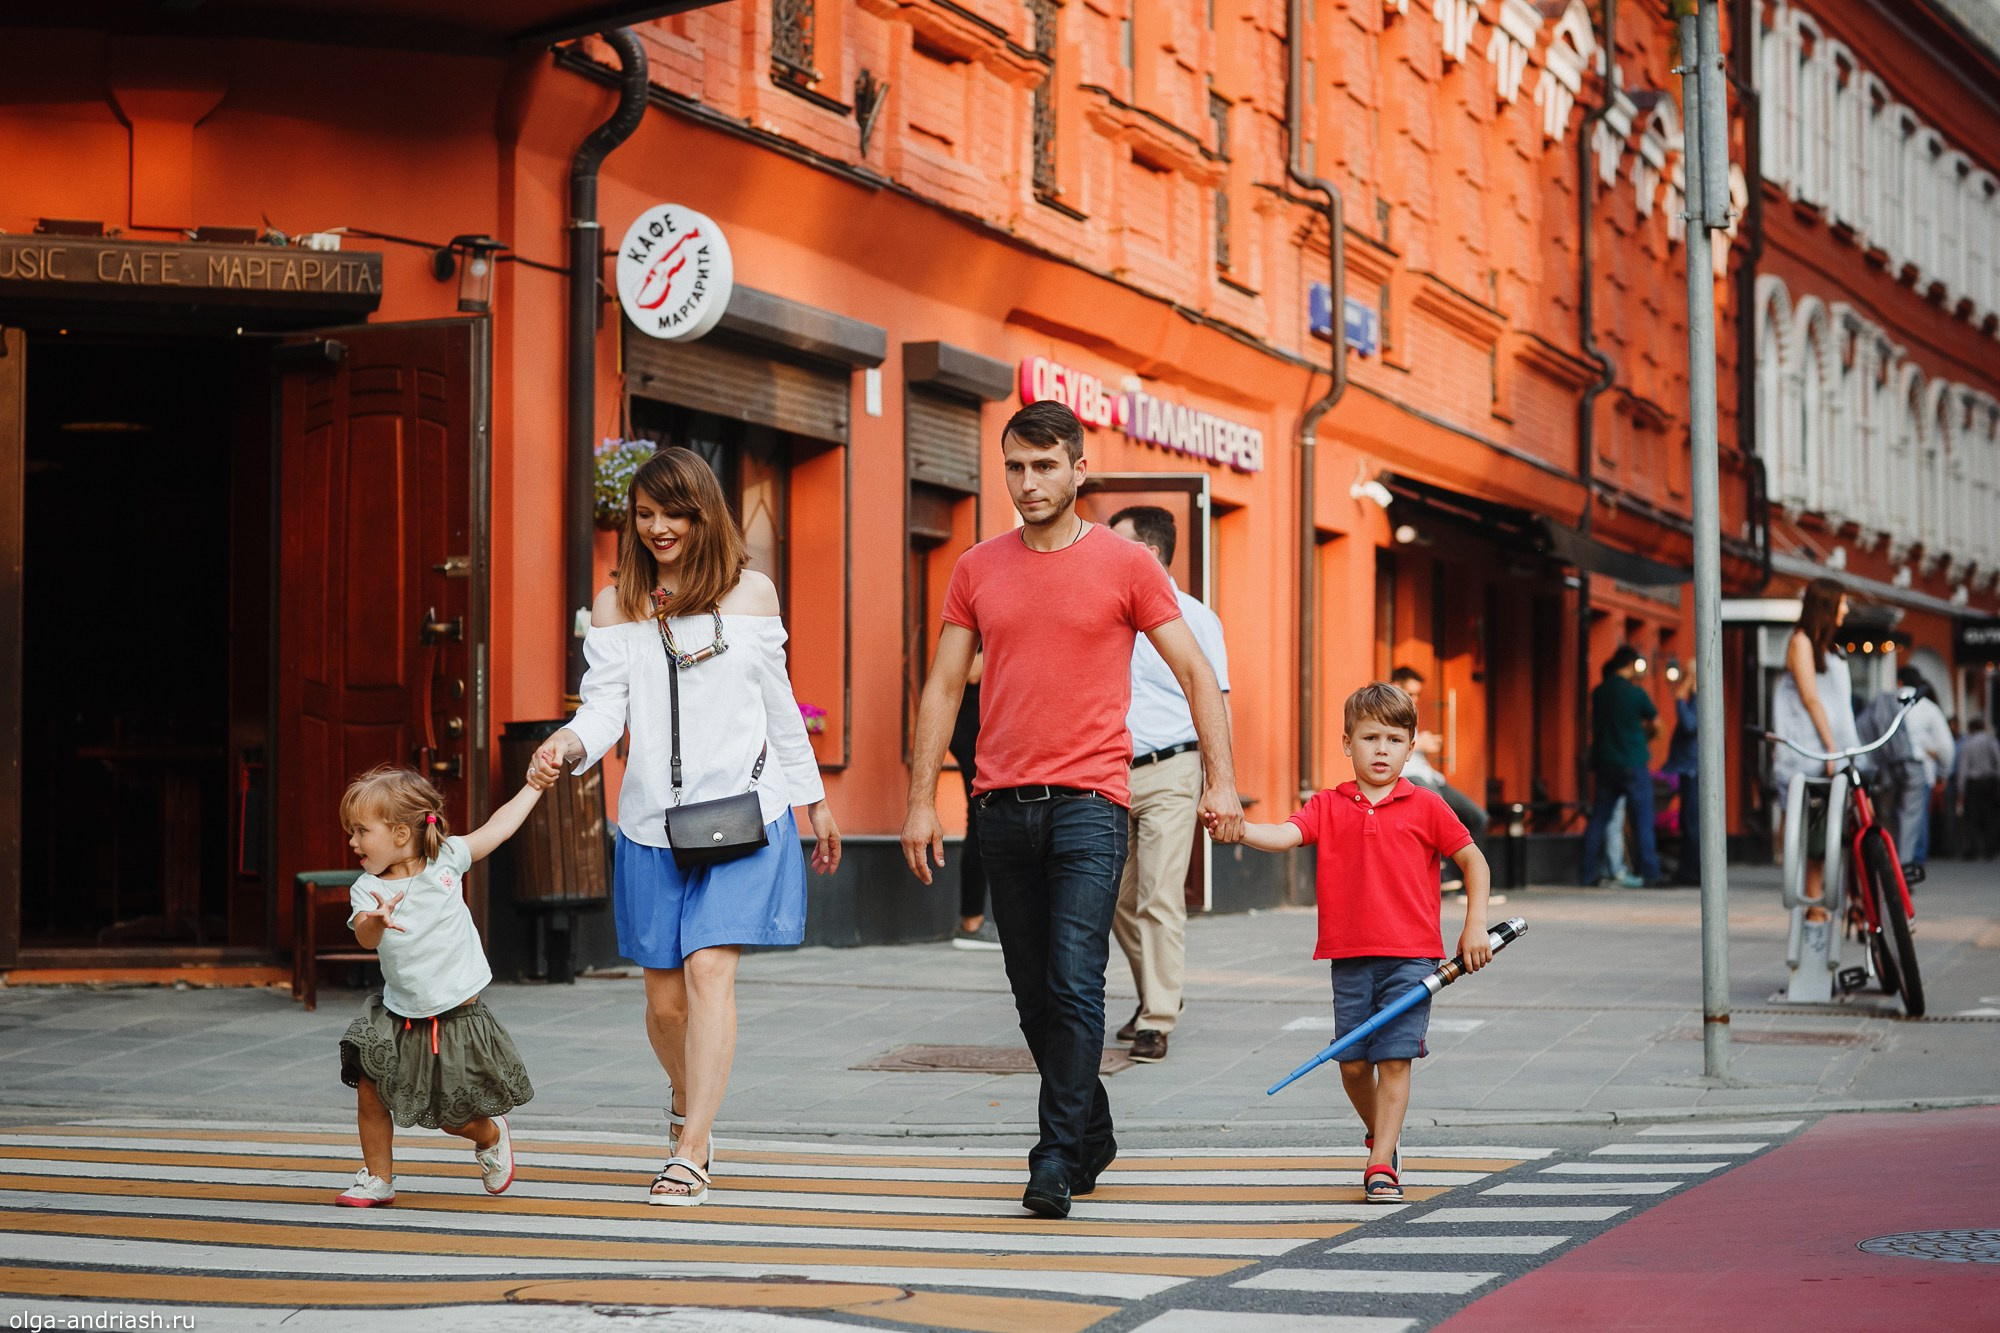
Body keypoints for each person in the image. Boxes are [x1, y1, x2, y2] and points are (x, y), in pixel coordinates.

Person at [902, 400, 1242, 1220]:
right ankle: (1092, 1129)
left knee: (1073, 977)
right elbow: (946, 684)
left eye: (1045, 465)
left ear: (1078, 469)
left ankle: (1054, 1153)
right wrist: (922, 802)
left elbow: (1199, 673)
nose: (1028, 482)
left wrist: (1220, 781)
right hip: (999, 807)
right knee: (1029, 989)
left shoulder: (1126, 564)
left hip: (1093, 802)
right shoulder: (978, 566)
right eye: (1015, 466)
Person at [530, 447, 842, 1207]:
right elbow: (605, 709)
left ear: (706, 514)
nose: (659, 527)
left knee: (709, 971)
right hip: (650, 823)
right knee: (664, 1001)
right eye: (645, 514)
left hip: (746, 812)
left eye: (674, 512)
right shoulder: (617, 606)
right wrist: (569, 743)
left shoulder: (751, 594)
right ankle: (685, 1097)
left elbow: (779, 704)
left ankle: (692, 1149)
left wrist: (814, 801)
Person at [1212, 682, 1491, 1205]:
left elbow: (1474, 860)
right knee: (1353, 1063)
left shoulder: (1428, 806)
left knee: (1396, 1057)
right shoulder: (1327, 804)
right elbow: (1285, 835)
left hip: (1413, 957)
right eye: (1369, 738)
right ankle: (1380, 1131)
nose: (1381, 749)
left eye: (1393, 739)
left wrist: (1473, 926)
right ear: (1347, 744)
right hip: (1349, 958)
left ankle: (1380, 1161)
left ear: (1411, 747)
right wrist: (1239, 830)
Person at [334, 765, 548, 1207]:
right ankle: (379, 1178)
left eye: (360, 831)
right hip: (396, 1014)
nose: (352, 841)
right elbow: (364, 934)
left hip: (455, 1014)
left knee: (454, 1115)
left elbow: (500, 828)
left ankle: (489, 1134)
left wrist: (533, 786)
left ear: (398, 833)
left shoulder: (447, 860)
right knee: (370, 1090)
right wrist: (375, 921)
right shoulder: (367, 888)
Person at [1105, 505, 1230, 1064]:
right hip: (1110, 772)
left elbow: (1217, 700)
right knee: (1116, 900)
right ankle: (1157, 994)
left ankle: (1157, 1017)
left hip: (1173, 770)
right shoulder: (1108, 610)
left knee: (1158, 894)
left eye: (1118, 543)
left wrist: (1220, 781)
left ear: (1149, 554)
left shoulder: (1196, 618)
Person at [1770, 578, 1860, 923]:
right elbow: (1810, 698)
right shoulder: (1801, 643)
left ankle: (1842, 903)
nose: (1846, 609)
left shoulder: (1826, 649)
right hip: (1811, 756)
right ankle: (1814, 911)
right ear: (1826, 605)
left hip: (1831, 755)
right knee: (1816, 838)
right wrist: (1830, 747)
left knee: (1837, 834)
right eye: (1842, 602)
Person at [1388, 666, 1490, 894]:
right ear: (1396, 686)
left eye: (1417, 695)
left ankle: (1470, 885)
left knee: (1477, 817)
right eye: (1410, 693)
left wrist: (1424, 743)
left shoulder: (1408, 714)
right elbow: (1386, 746)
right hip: (1408, 776)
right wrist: (1420, 743)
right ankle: (1440, 874)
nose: (1414, 699)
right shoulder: (1384, 711)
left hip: (1430, 776)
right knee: (1437, 810)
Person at [1579, 645, 1663, 888]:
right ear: (1630, 665)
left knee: (1599, 818)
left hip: (1606, 762)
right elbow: (1657, 724)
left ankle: (1587, 874)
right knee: (1642, 819)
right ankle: (1650, 872)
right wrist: (1642, 736)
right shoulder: (1637, 694)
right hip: (1633, 761)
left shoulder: (1599, 692)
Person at [949, 652, 1001, 950]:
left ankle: (974, 918)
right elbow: (969, 670)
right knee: (980, 815)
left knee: (982, 817)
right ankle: (971, 921)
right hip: (971, 727)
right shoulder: (973, 607)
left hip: (983, 726)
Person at [1898, 667, 1955, 867]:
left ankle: (1893, 864)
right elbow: (1946, 747)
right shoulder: (1928, 708)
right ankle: (1911, 865)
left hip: (1888, 769)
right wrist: (1943, 774)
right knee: (1916, 819)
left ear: (1899, 682)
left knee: (1892, 818)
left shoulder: (1887, 702)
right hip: (1920, 769)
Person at [1662, 661, 1701, 886]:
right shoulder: (1697, 699)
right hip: (1689, 769)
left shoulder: (1698, 699)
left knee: (1692, 823)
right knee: (1689, 822)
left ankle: (1691, 873)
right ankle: (1690, 871)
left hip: (1692, 770)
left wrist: (1679, 696)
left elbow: (1688, 725)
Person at [1959, 717, 2000, 860]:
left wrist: (1961, 789)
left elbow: (1963, 767)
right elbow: (1998, 761)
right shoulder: (1991, 742)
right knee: (1990, 817)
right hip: (1989, 781)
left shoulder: (1968, 744)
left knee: (1973, 817)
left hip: (1973, 783)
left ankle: (1974, 849)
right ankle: (1990, 850)